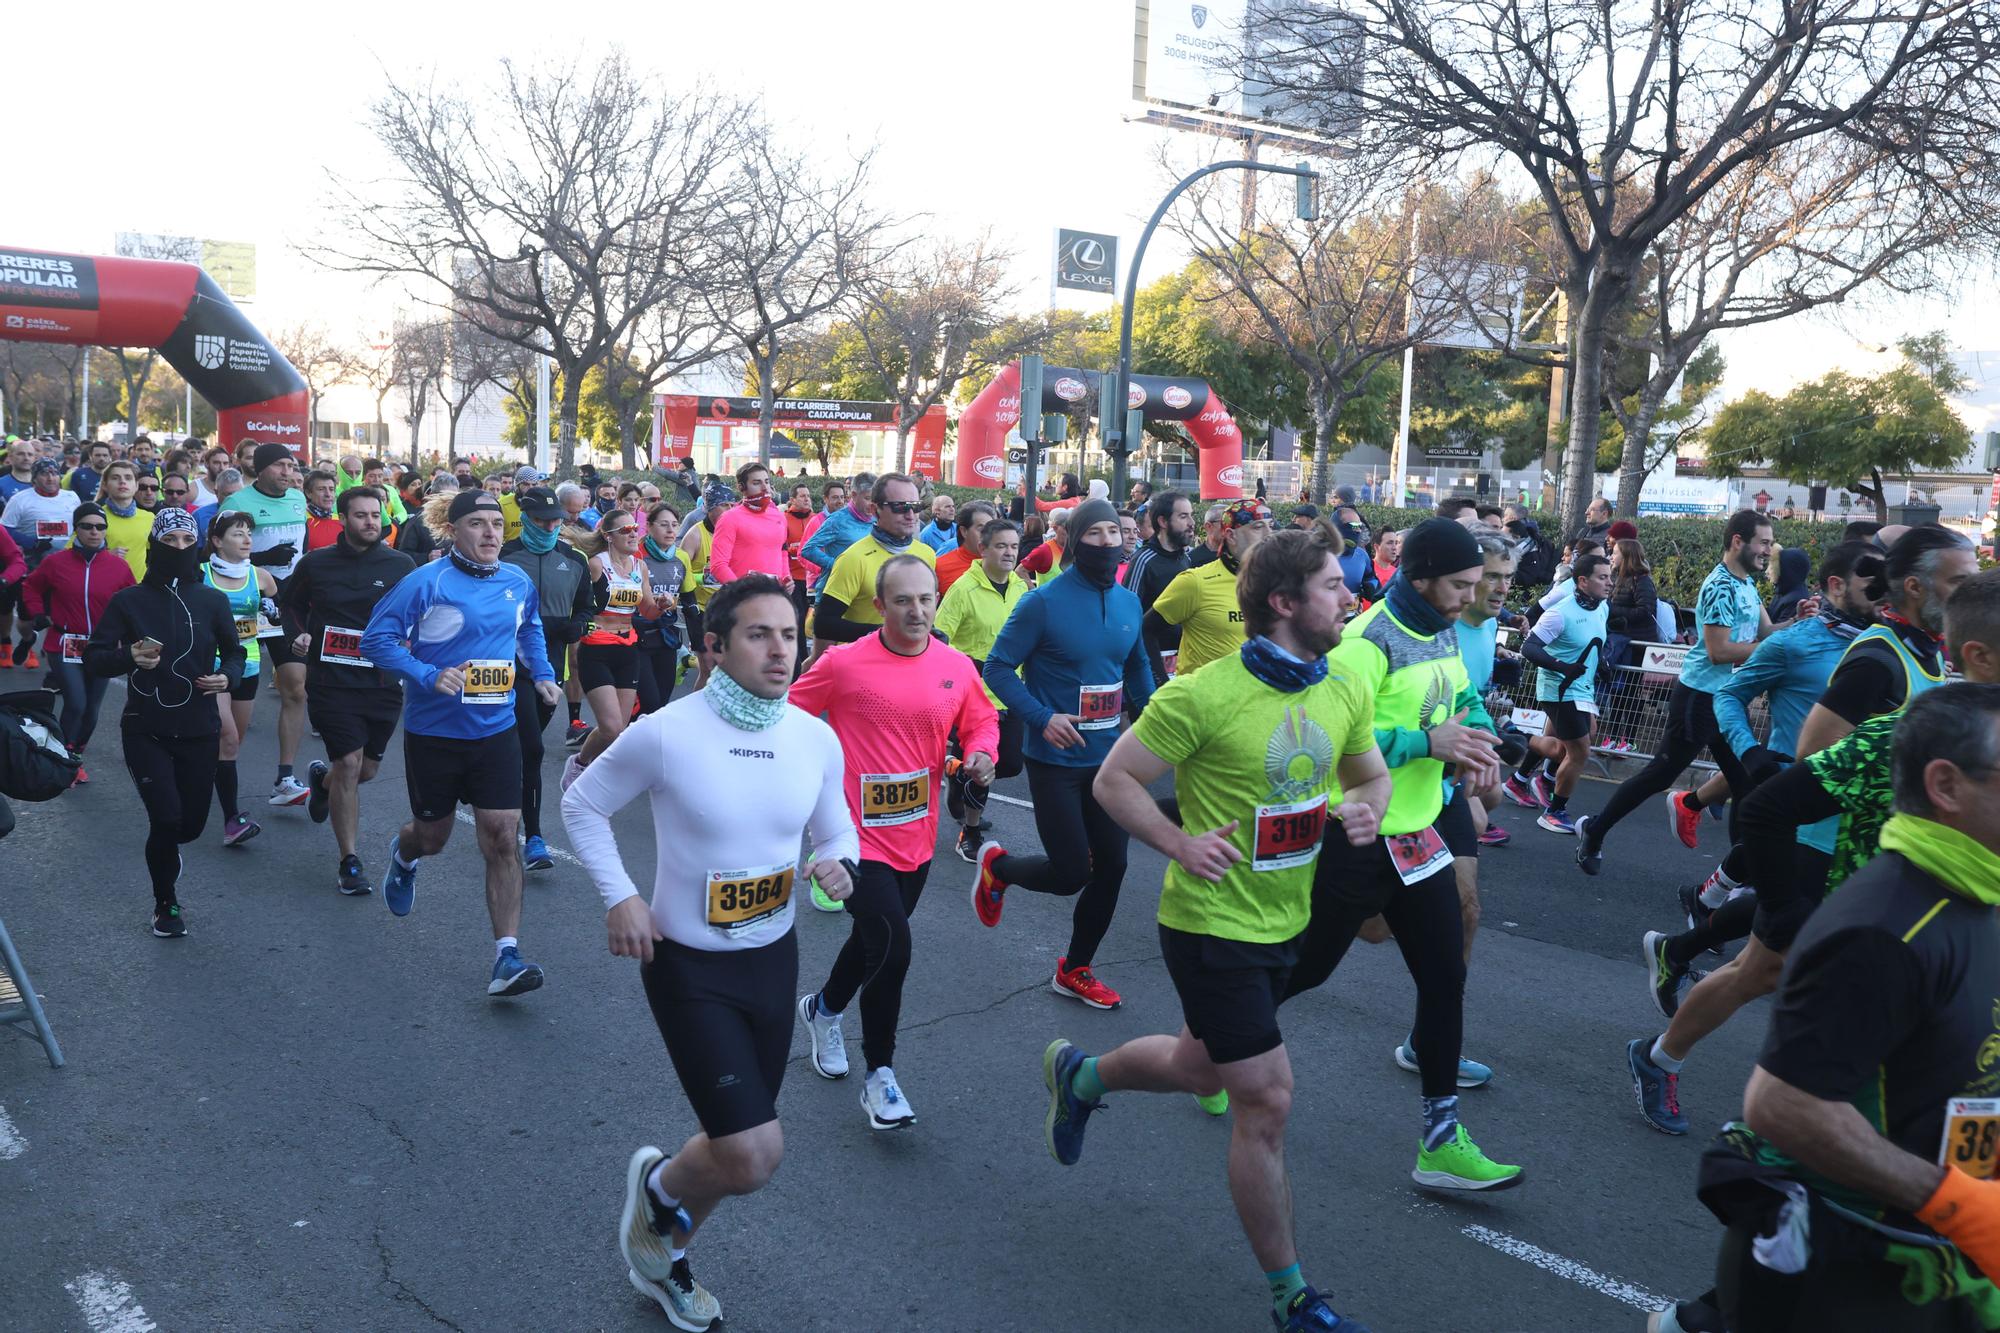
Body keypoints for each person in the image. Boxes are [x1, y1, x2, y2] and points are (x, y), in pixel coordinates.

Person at [1038, 528, 1390, 1333]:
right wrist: (1178, 841)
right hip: (1209, 924)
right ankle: (1293, 1297)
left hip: (1286, 919)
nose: (1349, 597)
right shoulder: (1202, 693)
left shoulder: (1341, 687)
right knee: (1263, 1098)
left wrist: (1365, 803)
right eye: (1335, 586)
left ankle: (1082, 1079)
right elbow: (1114, 778)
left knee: (1201, 1070)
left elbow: (1366, 770)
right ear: (1284, 602)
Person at [561, 574, 856, 1333]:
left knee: (737, 1148)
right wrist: (621, 894)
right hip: (689, 967)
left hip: (773, 957)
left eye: (790, 634)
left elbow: (836, 827)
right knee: (754, 1153)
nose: (780, 649)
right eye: (759, 634)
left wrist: (839, 861)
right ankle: (661, 1205)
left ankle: (661, 1238)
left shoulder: (813, 737)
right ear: (716, 647)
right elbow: (582, 804)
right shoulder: (668, 730)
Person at [1687, 683, 2000, 1330]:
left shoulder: (1977, 893)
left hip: (1944, 1255)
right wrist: (1953, 1202)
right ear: (1946, 785)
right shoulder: (1882, 929)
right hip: (1858, 1272)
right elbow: (1781, 1103)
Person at [1625, 542, 1894, 1135]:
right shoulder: (1800, 642)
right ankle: (1686, 1067)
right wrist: (1750, 759)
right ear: (1832, 586)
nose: (1883, 589)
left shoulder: (1899, 649)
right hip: (1807, 824)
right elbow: (1727, 692)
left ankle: (1679, 954)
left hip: (1869, 838)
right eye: (1868, 579)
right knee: (1772, 971)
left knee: (1774, 965)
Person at [1282, 520, 1522, 1183]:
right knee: (1302, 971)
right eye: (1459, 585)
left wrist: (1480, 741)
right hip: (1356, 835)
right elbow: (1329, 741)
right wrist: (1428, 745)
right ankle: (1213, 1042)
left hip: (1419, 835)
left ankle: (1440, 1143)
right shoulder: (1365, 643)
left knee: (1445, 976)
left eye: (1476, 585)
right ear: (1420, 578)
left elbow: (1464, 700)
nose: (1470, 597)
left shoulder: (1441, 626)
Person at [793, 556, 999, 1129]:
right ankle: (880, 1075)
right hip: (851, 837)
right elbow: (789, 719)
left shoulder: (955, 665)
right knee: (895, 946)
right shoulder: (843, 664)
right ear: (880, 607)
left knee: (872, 942)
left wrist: (983, 753)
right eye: (903, 601)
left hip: (916, 834)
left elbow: (982, 720)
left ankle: (823, 1009)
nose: (917, 611)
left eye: (926, 599)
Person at [358, 489, 562, 998]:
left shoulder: (516, 580)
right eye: (477, 523)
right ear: (453, 530)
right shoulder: (426, 582)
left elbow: (530, 628)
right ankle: (403, 857)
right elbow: (376, 640)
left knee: (501, 836)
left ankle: (506, 956)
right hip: (436, 733)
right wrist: (427, 675)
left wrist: (541, 673)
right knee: (433, 838)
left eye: (497, 523)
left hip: (496, 728)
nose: (491, 533)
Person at [968, 499, 1154, 1008]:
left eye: (1113, 532)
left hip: (1107, 760)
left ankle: (1075, 968)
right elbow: (999, 667)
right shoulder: (1043, 603)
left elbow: (1136, 666)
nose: (1106, 543)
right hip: (1054, 762)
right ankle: (999, 868)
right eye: (1093, 533)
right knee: (1072, 872)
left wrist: (1156, 716)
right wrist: (1042, 717)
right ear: (1073, 540)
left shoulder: (1127, 603)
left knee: (1112, 865)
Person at [1575, 510, 1773, 873]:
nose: (1768, 550)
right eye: (1764, 542)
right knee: (1659, 776)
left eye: (1770, 544)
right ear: (1737, 542)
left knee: (1745, 781)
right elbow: (1719, 651)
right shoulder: (1720, 586)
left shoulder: (1747, 584)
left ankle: (1736, 875)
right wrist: (1765, 649)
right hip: (1699, 699)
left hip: (1729, 699)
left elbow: (1770, 632)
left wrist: (1801, 623)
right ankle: (1595, 828)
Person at [84, 508, 245, 938]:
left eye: (185, 540)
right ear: (155, 545)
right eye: (169, 540)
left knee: (189, 826)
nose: (178, 548)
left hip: (199, 727)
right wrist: (127, 657)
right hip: (146, 727)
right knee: (166, 819)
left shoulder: (212, 599)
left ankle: (170, 854)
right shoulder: (129, 601)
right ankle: (165, 903)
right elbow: (94, 657)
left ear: (197, 545)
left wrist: (226, 676)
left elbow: (236, 651)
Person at [285, 487, 418, 896]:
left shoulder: (401, 564)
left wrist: (412, 643)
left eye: (375, 515)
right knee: (349, 761)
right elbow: (289, 605)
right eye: (360, 515)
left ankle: (322, 785)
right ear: (343, 519)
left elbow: (420, 614)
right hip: (330, 681)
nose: (370, 522)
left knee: (367, 769)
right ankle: (350, 861)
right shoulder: (316, 563)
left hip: (381, 682)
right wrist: (301, 635)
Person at [1791, 525, 1975, 759]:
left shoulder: (1927, 647)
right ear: (1915, 587)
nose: (1970, 593)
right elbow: (1811, 753)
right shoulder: (1876, 659)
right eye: (1959, 582)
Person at [498, 486, 594, 871]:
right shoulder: (504, 556)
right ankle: (534, 836)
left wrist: (577, 625)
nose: (551, 526)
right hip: (506, 666)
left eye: (556, 520)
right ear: (525, 519)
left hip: (551, 668)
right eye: (542, 521)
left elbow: (587, 603)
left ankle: (498, 791)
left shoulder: (574, 559)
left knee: (522, 747)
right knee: (533, 750)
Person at [221, 443, 313, 809]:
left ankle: (285, 778)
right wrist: (262, 558)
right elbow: (219, 554)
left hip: (285, 604)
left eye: (291, 465)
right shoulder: (237, 503)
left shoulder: (296, 500)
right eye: (279, 465)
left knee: (295, 689)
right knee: (233, 687)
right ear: (260, 469)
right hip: (244, 602)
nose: (288, 472)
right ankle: (218, 762)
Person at [935, 516, 1029, 863]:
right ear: (983, 549)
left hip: (1011, 690)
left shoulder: (1021, 588)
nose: (1008, 553)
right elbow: (940, 638)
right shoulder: (964, 588)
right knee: (983, 765)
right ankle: (969, 833)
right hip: (972, 694)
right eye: (1001, 546)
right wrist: (969, 672)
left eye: (1014, 547)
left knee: (1011, 765)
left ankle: (955, 774)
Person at [22, 502, 131, 781]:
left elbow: (133, 603)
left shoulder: (118, 567)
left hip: (102, 647)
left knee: (92, 709)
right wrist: (37, 614)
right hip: (63, 643)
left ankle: (74, 755)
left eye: (100, 526)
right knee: (77, 703)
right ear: (76, 529)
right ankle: (62, 758)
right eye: (87, 526)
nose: (94, 532)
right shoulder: (55, 562)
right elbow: (30, 586)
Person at [1513, 552, 1614, 834]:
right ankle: (1554, 811)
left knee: (1561, 748)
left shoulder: (1602, 608)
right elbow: (1529, 648)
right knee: (1579, 751)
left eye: (1610, 577)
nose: (1610, 583)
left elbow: (1594, 640)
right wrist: (1562, 667)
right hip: (1559, 689)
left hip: (1582, 688)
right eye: (1602, 577)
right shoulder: (1560, 613)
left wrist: (1603, 663)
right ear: (1582, 581)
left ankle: (1515, 738)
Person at [562, 509, 661, 789]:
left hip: (628, 649)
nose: (633, 534)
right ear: (608, 536)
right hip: (597, 648)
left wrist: (663, 606)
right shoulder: (596, 564)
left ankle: (597, 778)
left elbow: (648, 610)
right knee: (611, 727)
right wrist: (573, 639)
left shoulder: (639, 566)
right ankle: (579, 763)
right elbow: (578, 604)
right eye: (625, 530)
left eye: (634, 529)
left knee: (619, 732)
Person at [202, 512, 280, 847]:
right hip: (212, 666)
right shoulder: (199, 574)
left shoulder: (261, 577)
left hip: (248, 665)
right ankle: (232, 821)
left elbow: (274, 607)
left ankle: (201, 776)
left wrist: (270, 612)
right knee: (228, 737)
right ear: (218, 541)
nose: (247, 539)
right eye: (238, 534)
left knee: (230, 746)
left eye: (249, 533)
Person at [1146, 499, 1273, 677]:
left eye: (1271, 526)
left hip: (1256, 700)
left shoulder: (1275, 583)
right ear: (1231, 535)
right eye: (1258, 527)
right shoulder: (1195, 582)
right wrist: (1159, 683)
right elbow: (1146, 630)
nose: (1269, 534)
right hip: (1201, 701)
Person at [810, 473, 935, 645]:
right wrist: (887, 634)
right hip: (862, 663)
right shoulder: (852, 558)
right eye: (899, 507)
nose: (911, 515)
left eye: (916, 506)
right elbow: (824, 624)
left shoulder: (927, 554)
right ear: (874, 510)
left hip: (909, 661)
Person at [1455, 534, 1519, 848]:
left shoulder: (1491, 624)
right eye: (1492, 577)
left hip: (1472, 736)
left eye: (1508, 578)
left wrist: (1491, 729)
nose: (1503, 589)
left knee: (1493, 795)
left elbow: (1475, 693)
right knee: (1476, 821)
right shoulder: (1442, 629)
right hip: (1435, 746)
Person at [1122, 489, 1194, 680]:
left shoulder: (1185, 558)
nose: (1192, 523)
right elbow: (1128, 617)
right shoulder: (1144, 560)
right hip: (1149, 667)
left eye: (1191, 516)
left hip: (1181, 666)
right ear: (1163, 522)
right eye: (1183, 516)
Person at [635, 503, 692, 716]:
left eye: (675, 525)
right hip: (638, 635)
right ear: (648, 526)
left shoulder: (681, 557)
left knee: (661, 701)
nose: (670, 530)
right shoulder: (636, 555)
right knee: (648, 701)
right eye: (663, 525)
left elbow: (688, 597)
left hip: (666, 636)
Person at [706, 462, 790, 588]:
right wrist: (742, 592)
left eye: (766, 482)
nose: (765, 488)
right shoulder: (729, 518)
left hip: (774, 598)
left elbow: (782, 552)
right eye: (756, 483)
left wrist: (786, 578)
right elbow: (718, 566)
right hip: (741, 600)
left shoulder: (779, 516)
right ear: (741, 487)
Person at [95, 461, 152, 580]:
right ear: (105, 485)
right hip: (104, 586)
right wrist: (104, 556)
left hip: (139, 588)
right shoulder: (94, 516)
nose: (122, 481)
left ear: (136, 485)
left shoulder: (150, 518)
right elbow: (72, 554)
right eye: (115, 478)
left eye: (128, 478)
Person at [932, 500, 996, 596]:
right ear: (964, 531)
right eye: (982, 529)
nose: (988, 535)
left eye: (992, 530)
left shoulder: (1000, 564)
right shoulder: (939, 567)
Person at [1017, 507, 1067, 580]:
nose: (1072, 531)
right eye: (1066, 528)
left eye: (1074, 527)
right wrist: (1034, 590)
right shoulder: (1044, 550)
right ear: (1055, 528)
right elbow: (1020, 571)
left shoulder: (1076, 548)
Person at [1767, 545, 1811, 623]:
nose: (1767, 572)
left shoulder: (1796, 600)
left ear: (1785, 570)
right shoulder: (1783, 592)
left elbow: (1780, 632)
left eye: (1772, 568)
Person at [303, 470, 341, 551]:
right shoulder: (301, 520)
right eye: (321, 489)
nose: (328, 494)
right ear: (308, 493)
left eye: (331, 489)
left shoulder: (341, 520)